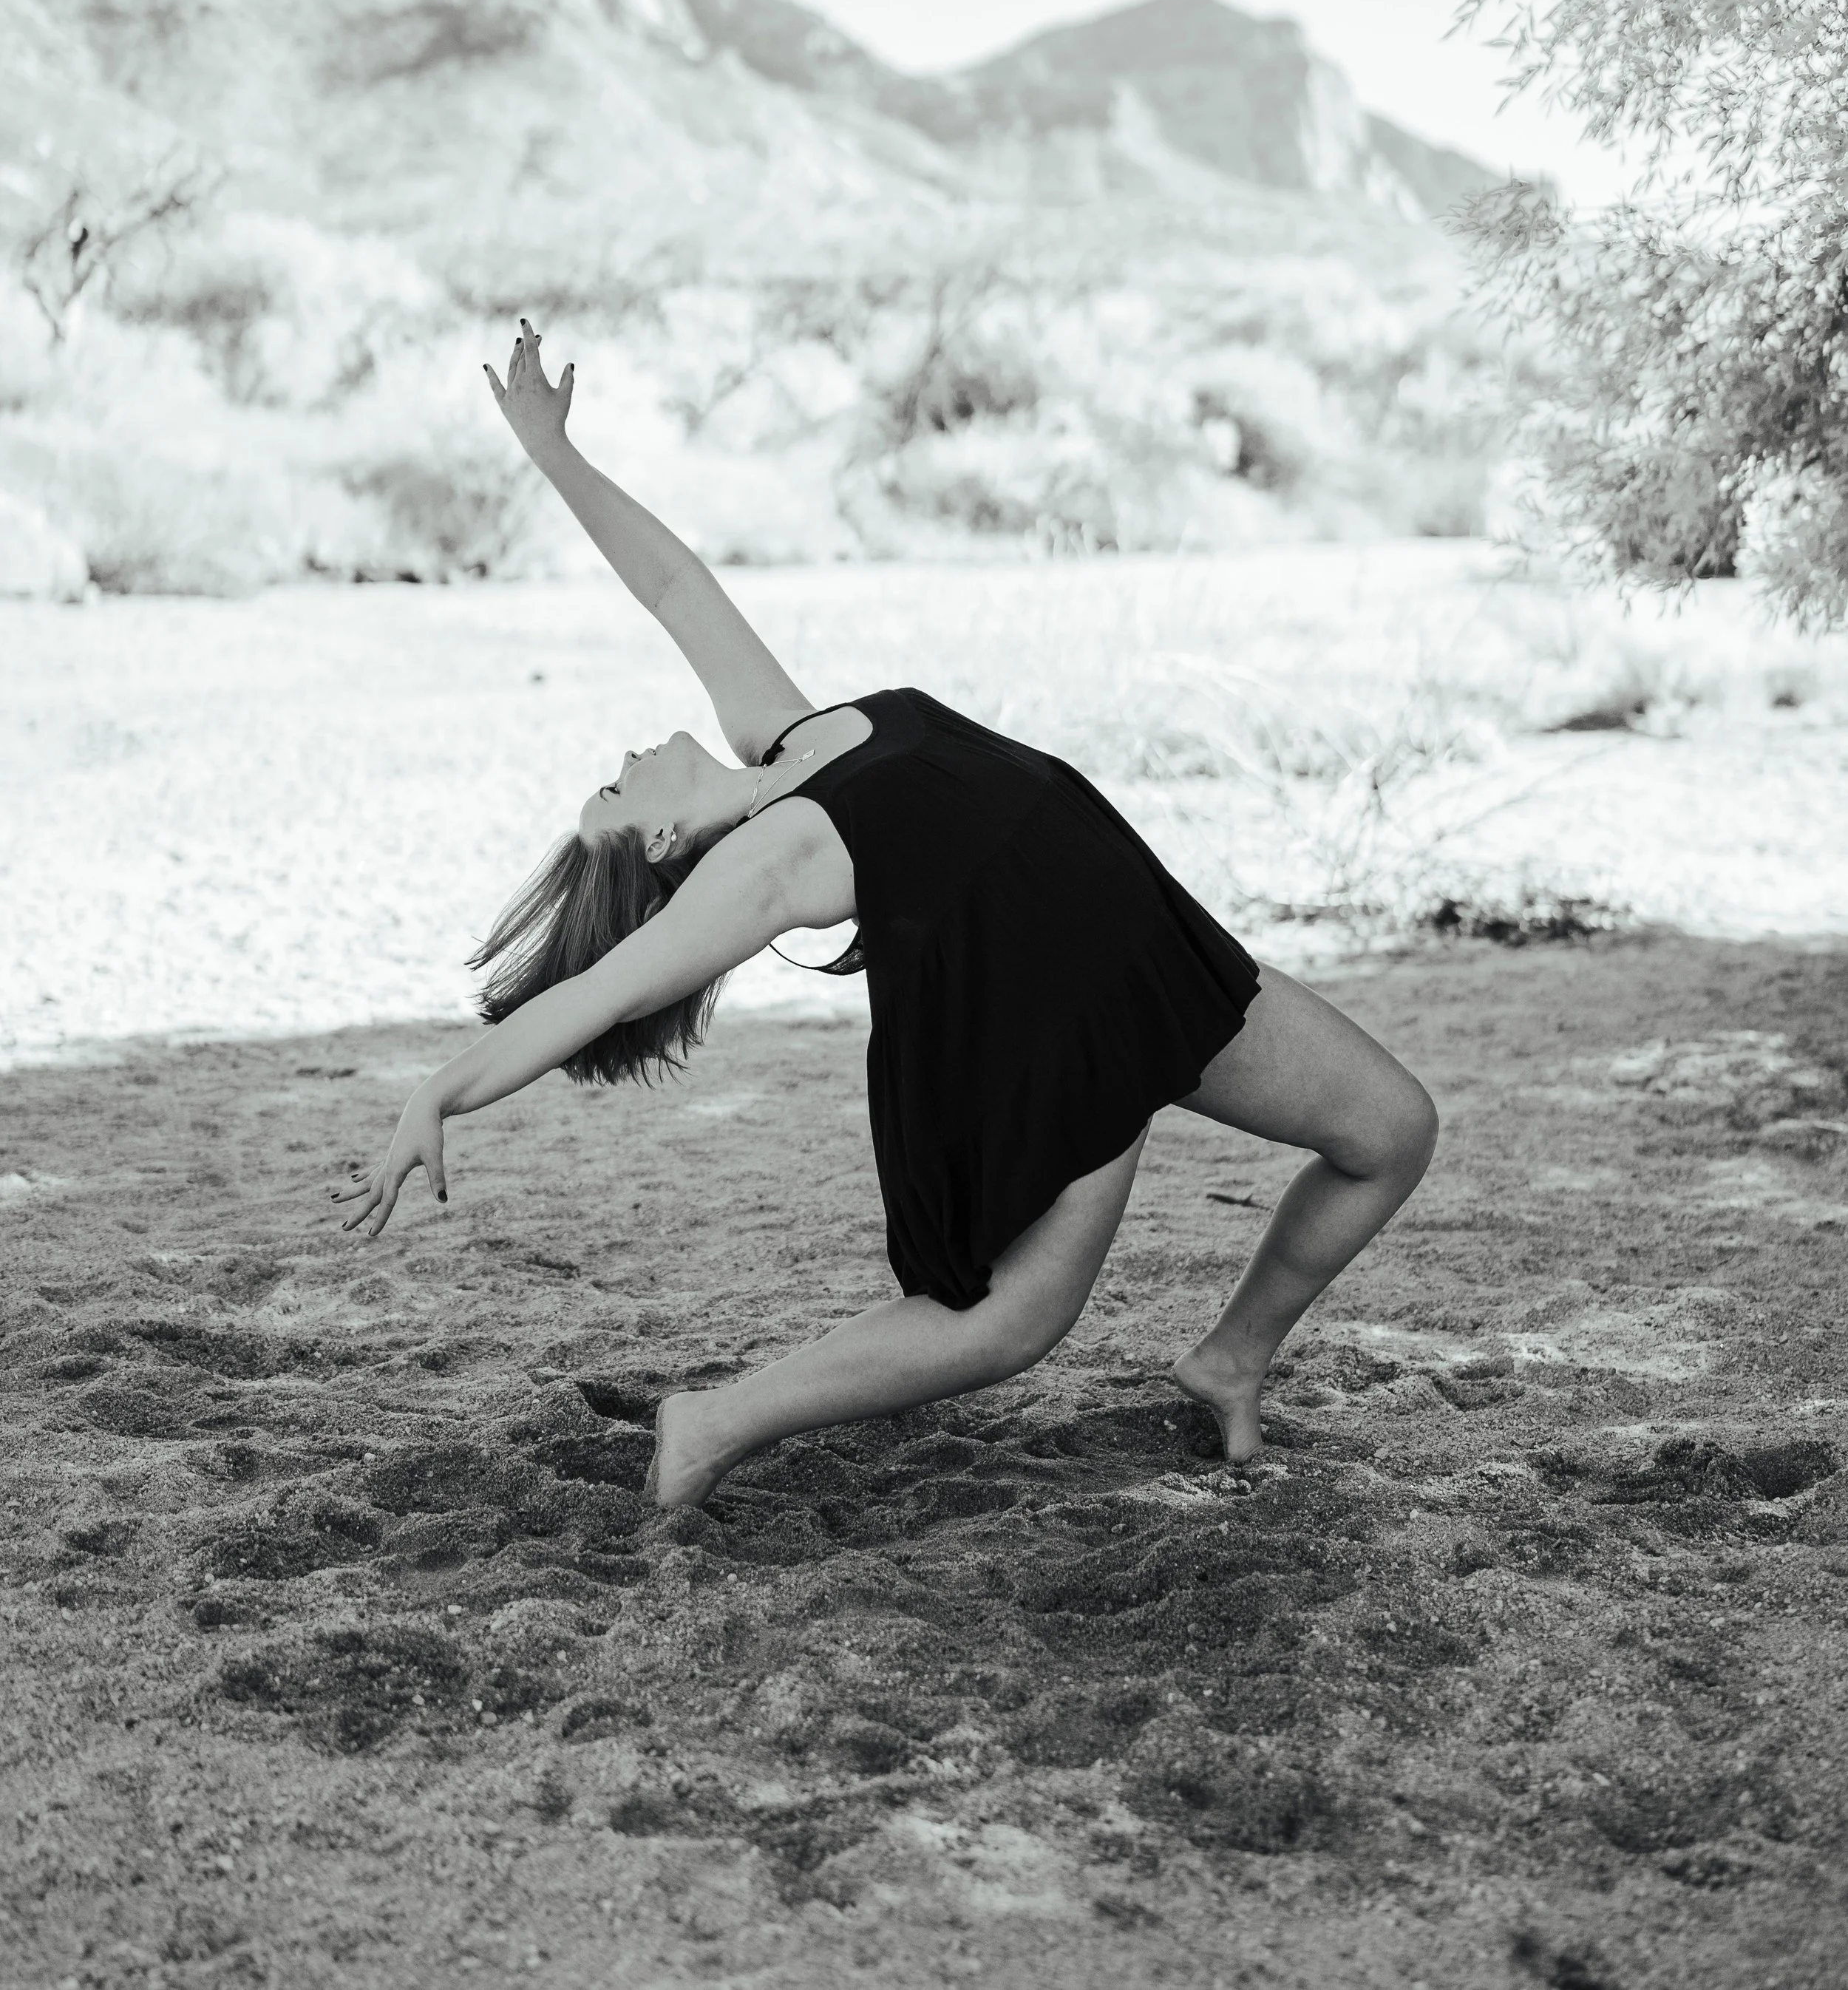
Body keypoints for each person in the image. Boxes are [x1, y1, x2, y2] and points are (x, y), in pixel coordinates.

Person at [335, 322, 1438, 1510]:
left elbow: (672, 586)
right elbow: (607, 989)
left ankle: (1230, 1357)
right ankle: (712, 1423)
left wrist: (552, 453)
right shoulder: (769, 860)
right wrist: (440, 1088)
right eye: (614, 790)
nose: (621, 758)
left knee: (1390, 1130)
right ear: (659, 842)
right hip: (1057, 1022)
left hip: (1151, 950)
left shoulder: (790, 743)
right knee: (1011, 1322)